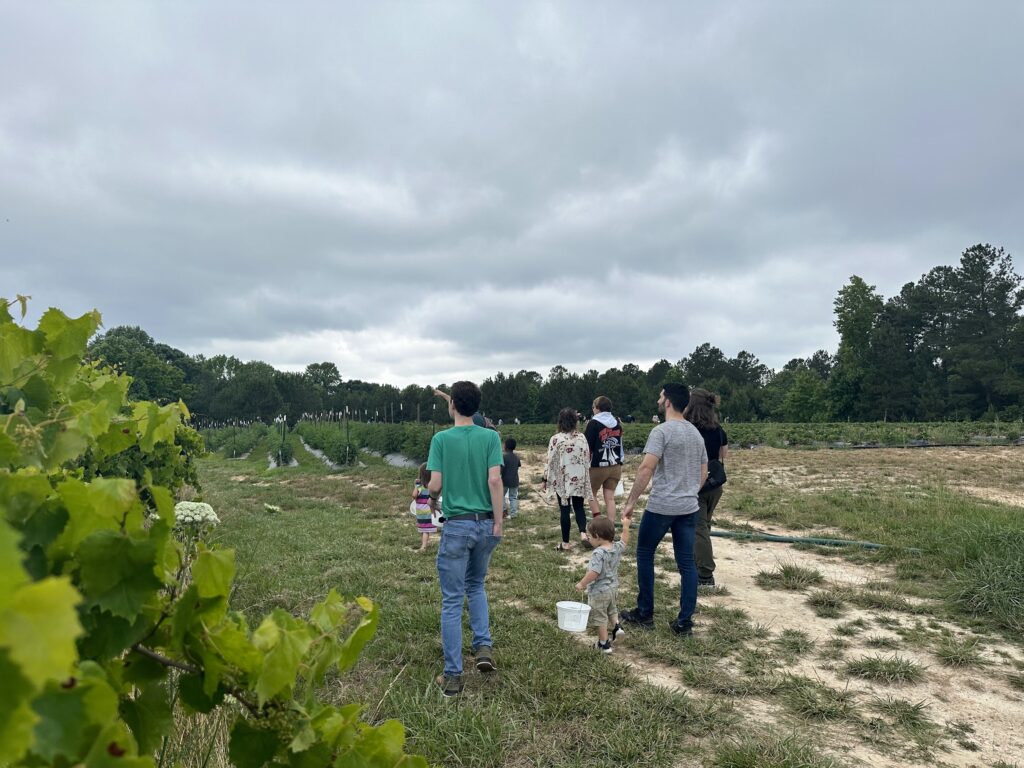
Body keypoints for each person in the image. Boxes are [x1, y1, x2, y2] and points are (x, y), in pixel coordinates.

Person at [427, 381, 504, 696]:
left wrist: (433, 497)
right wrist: (498, 522)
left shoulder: (441, 439)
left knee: (452, 599)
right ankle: (483, 647)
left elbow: (434, 485)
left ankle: (453, 674)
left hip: (457, 525)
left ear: (453, 405)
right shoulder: (491, 437)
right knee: (477, 586)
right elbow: (495, 480)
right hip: (486, 525)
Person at [620, 383, 707, 636]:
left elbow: (646, 468)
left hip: (662, 506)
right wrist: (690, 491)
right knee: (687, 564)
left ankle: (645, 612)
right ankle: (684, 623)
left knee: (645, 552)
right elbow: (703, 472)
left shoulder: (661, 432)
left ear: (668, 401)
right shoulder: (695, 433)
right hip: (689, 507)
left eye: (661, 396)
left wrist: (631, 501)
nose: (658, 400)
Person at [684, 389, 728, 587]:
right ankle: (698, 561)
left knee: (698, 528)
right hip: (715, 484)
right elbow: (723, 455)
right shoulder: (718, 429)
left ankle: (704, 574)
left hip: (696, 484)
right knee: (704, 525)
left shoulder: (688, 429)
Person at [574, 515, 630, 653]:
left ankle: (603, 644)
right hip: (613, 588)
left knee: (600, 618)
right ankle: (617, 627)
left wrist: (582, 583)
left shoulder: (598, 553)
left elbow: (594, 572)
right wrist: (626, 526)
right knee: (612, 610)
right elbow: (624, 540)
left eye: (590, 537)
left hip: (599, 591)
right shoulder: (616, 547)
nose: (589, 539)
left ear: (598, 536)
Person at [543, 407, 592, 551]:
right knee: (579, 506)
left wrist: (545, 478)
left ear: (560, 422)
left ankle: (565, 543)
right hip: (579, 475)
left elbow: (550, 460)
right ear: (575, 421)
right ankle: (583, 533)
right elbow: (587, 456)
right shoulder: (582, 438)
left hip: (562, 478)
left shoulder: (556, 439)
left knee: (564, 509)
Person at [584, 395, 624, 523]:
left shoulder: (593, 423)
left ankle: (598, 522)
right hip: (615, 466)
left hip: (598, 466)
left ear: (597, 408)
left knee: (591, 494)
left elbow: (587, 446)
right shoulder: (617, 423)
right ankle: (610, 526)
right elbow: (620, 444)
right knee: (610, 498)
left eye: (593, 407)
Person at [413, 462, 438, 551]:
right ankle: (425, 543)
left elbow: (414, 495)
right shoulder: (432, 487)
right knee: (425, 529)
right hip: (430, 511)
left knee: (424, 530)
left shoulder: (420, 486)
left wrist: (415, 486)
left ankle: (423, 546)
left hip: (421, 512)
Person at [501, 437, 521, 518]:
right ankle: (514, 514)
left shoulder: (503, 457)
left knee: (501, 496)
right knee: (513, 497)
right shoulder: (516, 457)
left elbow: (501, 469)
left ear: (505, 447)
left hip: (504, 480)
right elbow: (518, 465)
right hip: (515, 480)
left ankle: (504, 511)